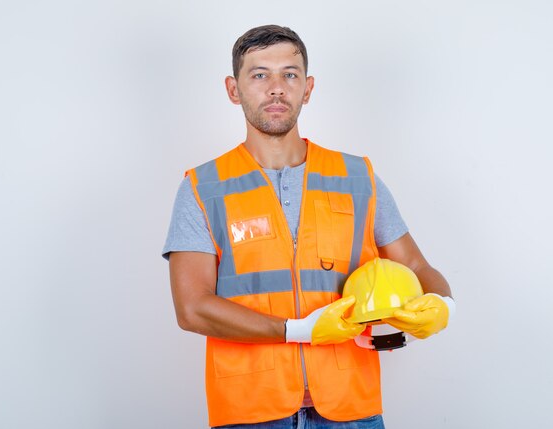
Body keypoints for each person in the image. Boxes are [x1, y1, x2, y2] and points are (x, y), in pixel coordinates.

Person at [162, 24, 454, 429]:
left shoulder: (358, 177)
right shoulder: (203, 187)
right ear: (233, 89)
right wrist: (299, 330)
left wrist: (443, 304)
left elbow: (418, 269)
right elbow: (192, 308)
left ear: (308, 87)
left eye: (290, 74)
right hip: (252, 410)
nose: (277, 87)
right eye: (260, 74)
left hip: (351, 408)